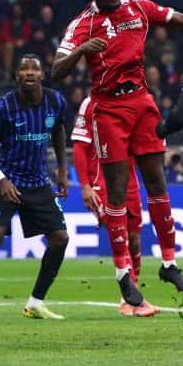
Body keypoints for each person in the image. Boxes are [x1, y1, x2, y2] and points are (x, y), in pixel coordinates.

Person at [53, 0, 183, 306]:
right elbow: (56, 70)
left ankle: (169, 263)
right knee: (119, 191)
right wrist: (81, 50)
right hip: (108, 108)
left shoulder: (138, 8)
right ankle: (123, 272)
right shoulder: (82, 25)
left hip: (141, 101)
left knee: (157, 181)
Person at [0, 55, 69, 322]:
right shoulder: (4, 107)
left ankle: (35, 303)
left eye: (35, 68)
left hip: (37, 182)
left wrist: (62, 169)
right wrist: (1, 178)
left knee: (60, 238)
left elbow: (58, 131)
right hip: (7, 181)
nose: (30, 73)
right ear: (16, 76)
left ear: (43, 75)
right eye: (24, 69)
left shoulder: (55, 101)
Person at [72, 96, 158, 317]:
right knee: (120, 234)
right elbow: (80, 147)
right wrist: (84, 186)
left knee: (135, 238)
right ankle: (134, 300)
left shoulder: (137, 99)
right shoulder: (91, 102)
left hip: (129, 182)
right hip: (101, 182)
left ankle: (130, 297)